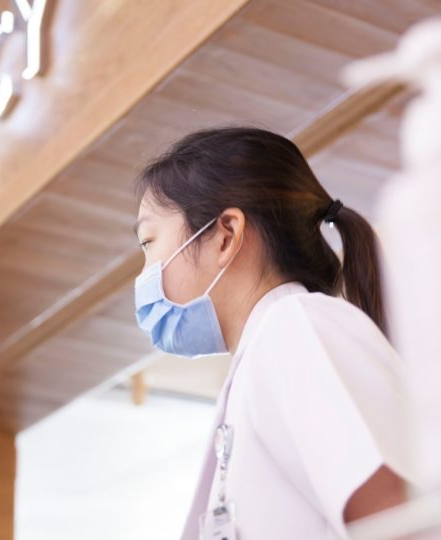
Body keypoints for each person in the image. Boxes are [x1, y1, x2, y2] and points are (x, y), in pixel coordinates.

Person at [133, 127, 416, 539]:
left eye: (148, 242)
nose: (145, 275)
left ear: (225, 236)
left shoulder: (294, 327)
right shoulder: (266, 351)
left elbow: (401, 519)